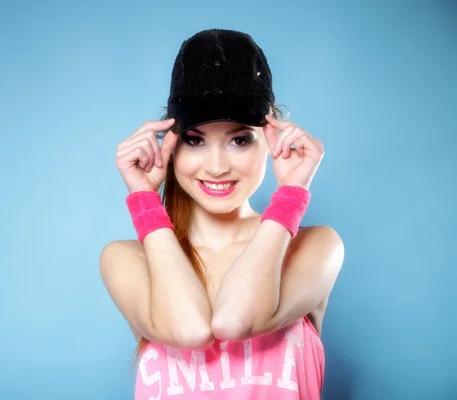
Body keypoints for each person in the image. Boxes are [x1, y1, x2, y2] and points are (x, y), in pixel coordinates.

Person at [100, 28, 344, 400]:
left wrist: (292, 194)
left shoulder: (316, 247)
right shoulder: (127, 259)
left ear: (273, 138)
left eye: (239, 139)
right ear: (170, 146)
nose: (216, 167)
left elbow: (235, 320)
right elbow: (191, 330)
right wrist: (144, 199)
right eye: (195, 139)